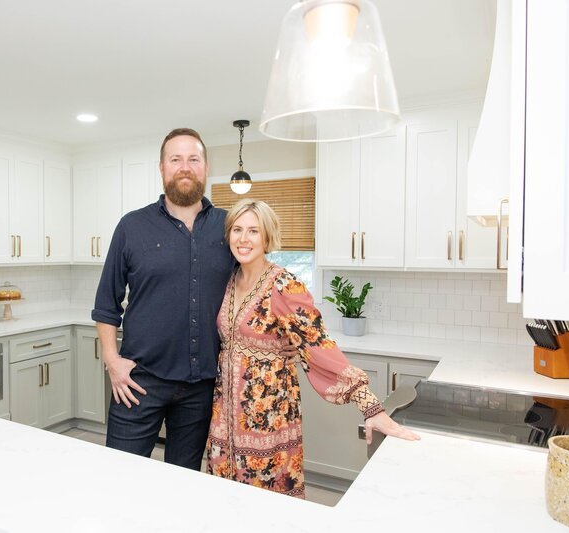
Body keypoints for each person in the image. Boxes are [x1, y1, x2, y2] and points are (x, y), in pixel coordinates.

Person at [206, 198, 419, 498]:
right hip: (224, 418)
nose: (243, 239)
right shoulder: (228, 280)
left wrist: (370, 407)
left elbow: (319, 347)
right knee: (225, 504)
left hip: (268, 419)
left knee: (264, 505)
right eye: (237, 230)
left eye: (253, 231)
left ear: (267, 237)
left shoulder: (284, 286)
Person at [91, 128, 235, 470]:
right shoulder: (132, 226)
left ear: (205, 166)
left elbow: (252, 288)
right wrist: (112, 361)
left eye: (193, 159)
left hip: (202, 385)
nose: (185, 167)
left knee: (183, 482)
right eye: (175, 159)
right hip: (138, 381)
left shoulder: (228, 226)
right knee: (121, 475)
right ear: (161, 168)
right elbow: (106, 304)